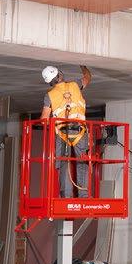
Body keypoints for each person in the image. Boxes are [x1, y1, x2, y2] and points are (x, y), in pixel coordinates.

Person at [40, 65, 92, 199]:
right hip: (80, 131)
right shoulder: (74, 85)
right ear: (59, 75)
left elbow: (44, 120)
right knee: (82, 162)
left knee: (63, 162)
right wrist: (83, 66)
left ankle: (66, 196)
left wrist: (53, 123)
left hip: (62, 133)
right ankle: (83, 195)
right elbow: (87, 78)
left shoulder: (50, 95)